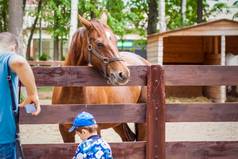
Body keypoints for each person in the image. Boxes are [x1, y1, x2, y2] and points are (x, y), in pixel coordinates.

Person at [0, 32, 41, 158]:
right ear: (13, 48)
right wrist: (32, 94)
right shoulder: (5, 58)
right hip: (3, 139)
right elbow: (20, 63)